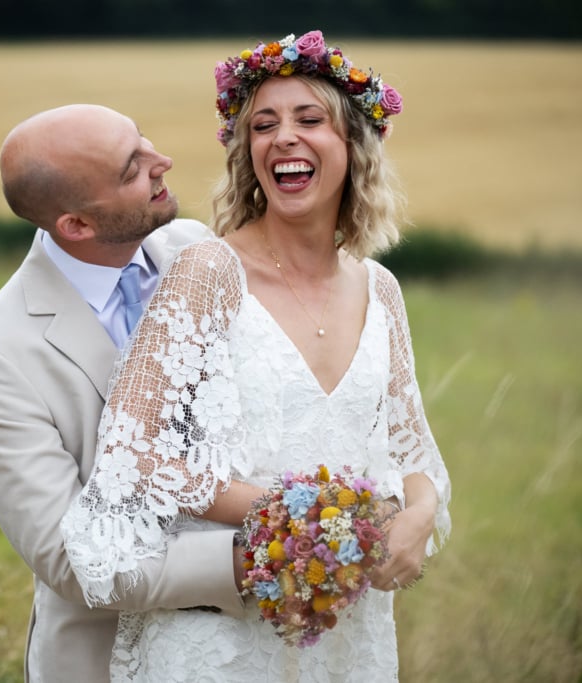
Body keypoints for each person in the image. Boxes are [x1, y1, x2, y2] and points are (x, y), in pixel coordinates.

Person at [60, 31, 452, 680]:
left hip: (346, 633)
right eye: (263, 124)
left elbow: (415, 453)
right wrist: (298, 515)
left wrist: (418, 516)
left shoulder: (381, 289)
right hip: (223, 637)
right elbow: (132, 449)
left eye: (308, 119)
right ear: (249, 154)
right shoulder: (209, 271)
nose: (283, 137)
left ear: (354, 146)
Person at [0, 104, 249, 683]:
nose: (162, 162)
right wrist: (255, 559)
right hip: (108, 659)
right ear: (77, 226)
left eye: (144, 141)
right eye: (132, 168)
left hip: (247, 648)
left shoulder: (194, 248)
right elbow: (70, 560)